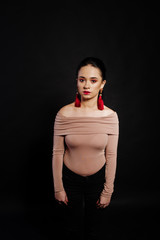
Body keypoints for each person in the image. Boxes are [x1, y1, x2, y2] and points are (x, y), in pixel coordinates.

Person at [52, 57, 119, 240]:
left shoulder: (110, 116)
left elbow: (111, 155)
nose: (86, 85)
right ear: (77, 82)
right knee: (70, 230)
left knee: (94, 230)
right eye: (82, 80)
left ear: (102, 84)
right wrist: (58, 188)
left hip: (97, 180)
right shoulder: (64, 114)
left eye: (93, 80)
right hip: (69, 179)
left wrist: (108, 191)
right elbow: (57, 153)